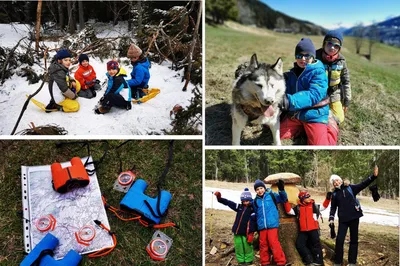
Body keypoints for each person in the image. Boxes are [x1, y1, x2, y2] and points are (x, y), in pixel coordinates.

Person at [279, 38, 339, 145]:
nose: (303, 59)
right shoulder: (292, 74)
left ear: (313, 57)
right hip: (296, 114)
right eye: (299, 56)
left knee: (320, 146)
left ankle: (332, 127)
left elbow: (314, 95)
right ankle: (303, 129)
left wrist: (289, 101)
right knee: (278, 134)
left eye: (307, 55)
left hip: (314, 114)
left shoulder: (318, 73)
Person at [329, 166, 379, 266]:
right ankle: (338, 262)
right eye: (334, 182)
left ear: (341, 180)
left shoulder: (350, 188)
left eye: (337, 180)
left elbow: (363, 184)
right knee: (339, 240)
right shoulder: (334, 194)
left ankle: (352, 262)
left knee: (354, 240)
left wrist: (373, 176)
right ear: (333, 184)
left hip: (354, 218)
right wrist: (331, 218)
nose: (336, 182)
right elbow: (333, 208)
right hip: (343, 220)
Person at [285, 190, 331, 266]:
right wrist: (285, 200)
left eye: (309, 196)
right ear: (302, 199)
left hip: (313, 229)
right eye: (306, 197)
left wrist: (328, 198)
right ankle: (308, 259)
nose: (309, 198)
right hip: (303, 230)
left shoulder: (314, 206)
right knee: (299, 244)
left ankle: (319, 261)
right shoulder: (298, 208)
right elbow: (289, 211)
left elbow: (324, 206)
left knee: (316, 245)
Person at [316, 30, 351, 124]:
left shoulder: (342, 61)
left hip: (334, 95)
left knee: (339, 118)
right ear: (324, 44)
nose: (332, 48)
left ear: (339, 48)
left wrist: (346, 101)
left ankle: (325, 116)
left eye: (336, 46)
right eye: (329, 44)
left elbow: (346, 82)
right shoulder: (315, 57)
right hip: (317, 93)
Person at [214, 188, 256, 265]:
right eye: (244, 201)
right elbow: (228, 203)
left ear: (250, 200)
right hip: (237, 231)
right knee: (238, 246)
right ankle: (241, 260)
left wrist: (251, 233)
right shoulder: (239, 207)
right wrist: (219, 198)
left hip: (246, 233)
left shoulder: (253, 210)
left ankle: (248, 260)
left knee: (247, 247)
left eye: (247, 201)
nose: (245, 202)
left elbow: (254, 222)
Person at [253, 179, 288, 266]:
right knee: (263, 245)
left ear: (264, 188)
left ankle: (280, 261)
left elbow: (284, 199)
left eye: (261, 188)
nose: (259, 191)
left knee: (274, 243)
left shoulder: (271, 195)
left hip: (272, 224)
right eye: (257, 189)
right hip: (262, 226)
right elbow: (256, 213)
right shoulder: (255, 201)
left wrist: (281, 189)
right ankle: (265, 262)